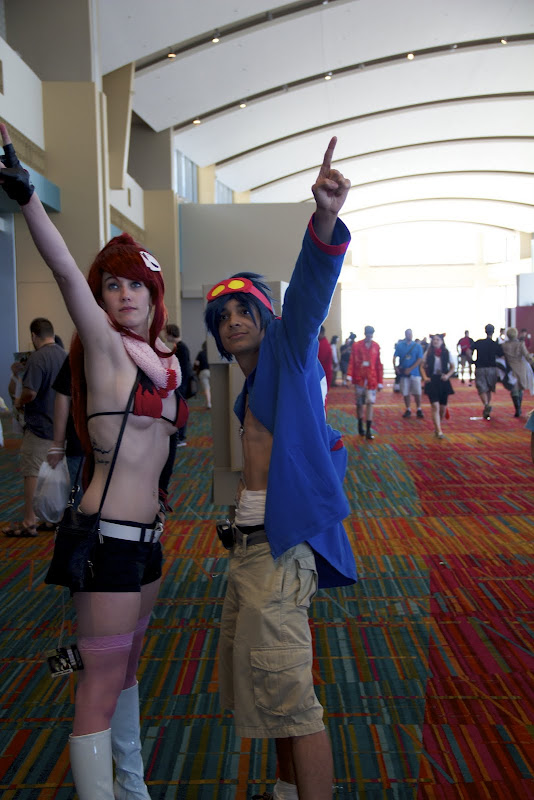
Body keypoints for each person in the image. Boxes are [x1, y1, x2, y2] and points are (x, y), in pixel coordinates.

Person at [0, 123, 184, 799]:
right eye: (111, 286)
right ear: (100, 297)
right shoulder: (106, 350)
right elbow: (60, 269)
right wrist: (27, 199)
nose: (124, 295)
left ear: (154, 296)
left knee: (127, 670)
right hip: (106, 540)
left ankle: (132, 790)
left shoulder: (166, 364)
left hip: (148, 541)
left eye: (136, 285)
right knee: (99, 683)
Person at [204, 137, 356, 800]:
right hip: (250, 546)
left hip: (279, 548)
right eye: (223, 315)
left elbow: (312, 289)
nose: (234, 321)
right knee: (266, 692)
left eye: (246, 310)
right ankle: (286, 791)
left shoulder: (289, 355)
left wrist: (323, 218)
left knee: (292, 699)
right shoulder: (244, 391)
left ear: (267, 317)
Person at [3, 318, 65, 538]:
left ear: (33, 336)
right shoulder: (63, 355)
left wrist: (19, 403)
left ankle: (30, 521)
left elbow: (30, 392)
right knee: (54, 474)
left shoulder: (37, 358)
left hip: (39, 426)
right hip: (59, 426)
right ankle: (52, 517)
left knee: (31, 472)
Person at [46, 353, 85, 506]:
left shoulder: (79, 353)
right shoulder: (78, 354)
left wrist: (58, 443)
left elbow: (63, 396)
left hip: (82, 442)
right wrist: (58, 443)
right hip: (84, 443)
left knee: (81, 500)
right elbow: (63, 395)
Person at [347, 325, 383, 440]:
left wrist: (380, 381)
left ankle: (368, 430)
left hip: (372, 380)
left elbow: (378, 364)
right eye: (367, 335)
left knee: (370, 403)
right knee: (359, 404)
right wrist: (349, 377)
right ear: (364, 334)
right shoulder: (356, 346)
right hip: (359, 379)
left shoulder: (376, 346)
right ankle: (360, 425)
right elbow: (352, 361)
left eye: (371, 335)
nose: (369, 337)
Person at [420, 334, 455, 438]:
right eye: (434, 340)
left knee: (442, 408)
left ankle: (438, 425)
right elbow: (422, 367)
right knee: (435, 406)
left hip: (443, 380)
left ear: (442, 341)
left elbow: (452, 367)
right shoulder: (428, 352)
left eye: (437, 340)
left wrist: (447, 375)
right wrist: (425, 377)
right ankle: (439, 430)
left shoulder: (446, 352)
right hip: (432, 380)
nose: (435, 341)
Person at [165, 323, 192, 446]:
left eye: (166, 333)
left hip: (181, 386)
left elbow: (183, 370)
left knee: (180, 411)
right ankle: (179, 436)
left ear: (171, 334)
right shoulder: (180, 347)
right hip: (181, 385)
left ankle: (180, 437)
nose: (165, 336)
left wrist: (178, 386)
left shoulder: (181, 348)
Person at [471, 324, 503, 420]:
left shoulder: (479, 342)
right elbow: (501, 356)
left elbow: (468, 351)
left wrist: (472, 361)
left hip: (480, 367)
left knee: (481, 388)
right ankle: (487, 406)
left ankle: (486, 405)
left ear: (485, 331)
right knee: (489, 388)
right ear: (493, 332)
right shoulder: (495, 344)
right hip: (492, 368)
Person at [501, 327, 534, 417]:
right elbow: (526, 355)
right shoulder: (520, 344)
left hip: (510, 368)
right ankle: (519, 406)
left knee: (514, 388)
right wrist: (532, 362)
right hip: (521, 368)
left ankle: (517, 408)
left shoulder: (504, 345)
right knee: (520, 388)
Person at [393, 329, 424, 418]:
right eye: (407, 334)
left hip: (415, 373)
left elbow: (419, 359)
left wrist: (410, 369)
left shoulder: (417, 346)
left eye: (410, 334)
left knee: (417, 392)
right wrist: (395, 367)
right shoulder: (400, 346)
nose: (409, 335)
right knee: (405, 392)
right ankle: (408, 409)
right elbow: (394, 356)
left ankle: (419, 408)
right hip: (404, 373)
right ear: (405, 334)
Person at [194, 340, 211, 409]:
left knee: (207, 388)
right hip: (212, 371)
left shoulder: (201, 353)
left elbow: (196, 363)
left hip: (203, 372)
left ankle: (208, 403)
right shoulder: (211, 353)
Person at [317, 325, 333, 398]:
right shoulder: (321, 342)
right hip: (323, 373)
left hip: (323, 374)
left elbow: (319, 361)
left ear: (321, 333)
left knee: (321, 397)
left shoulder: (323, 344)